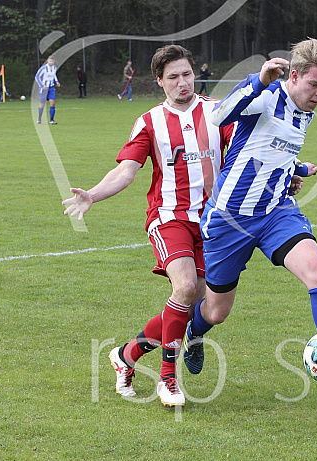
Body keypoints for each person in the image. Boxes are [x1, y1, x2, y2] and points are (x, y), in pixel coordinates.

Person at [182, 38, 317, 402]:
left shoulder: (304, 109)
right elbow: (216, 117)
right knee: (216, 311)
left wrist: (296, 168)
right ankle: (194, 334)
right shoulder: (266, 95)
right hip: (230, 219)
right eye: (315, 85)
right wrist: (256, 80)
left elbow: (268, 152)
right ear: (294, 75)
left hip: (276, 212)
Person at [62, 45, 233, 407]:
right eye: (173, 77)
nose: (183, 82)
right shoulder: (150, 122)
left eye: (187, 73)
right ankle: (168, 379)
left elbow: (248, 153)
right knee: (185, 287)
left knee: (197, 306)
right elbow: (127, 170)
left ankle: (127, 355)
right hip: (169, 217)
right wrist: (92, 194)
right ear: (159, 81)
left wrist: (289, 173)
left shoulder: (218, 111)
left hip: (213, 222)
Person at [36, 56, 60, 124]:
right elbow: (37, 77)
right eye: (50, 61)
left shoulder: (54, 68)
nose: (51, 62)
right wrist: (42, 85)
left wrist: (57, 81)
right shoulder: (43, 68)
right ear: (47, 61)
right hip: (44, 89)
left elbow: (54, 75)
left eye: (52, 61)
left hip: (51, 88)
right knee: (42, 104)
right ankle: (39, 118)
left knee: (52, 103)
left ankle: (51, 120)